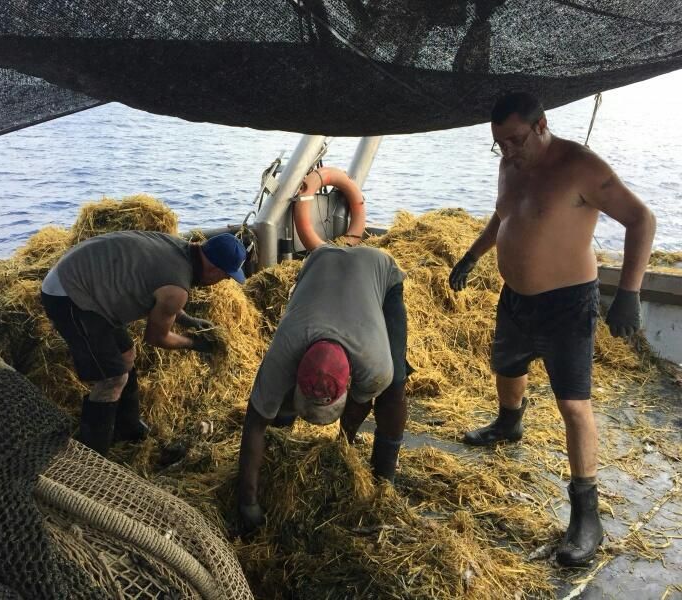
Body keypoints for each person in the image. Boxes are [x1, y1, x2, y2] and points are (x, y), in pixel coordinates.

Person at [449, 91, 656, 566]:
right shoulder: (511, 164)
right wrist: (472, 255)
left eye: (515, 140)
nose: (508, 152)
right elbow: (503, 215)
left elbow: (642, 219)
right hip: (516, 298)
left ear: (541, 126)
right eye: (499, 143)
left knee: (572, 404)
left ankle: (587, 516)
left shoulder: (580, 166)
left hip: (567, 304)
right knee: (506, 365)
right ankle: (509, 423)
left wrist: (629, 292)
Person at [237, 245, 412, 533]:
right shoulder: (283, 353)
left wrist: (343, 447)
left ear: (350, 380)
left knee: (393, 390)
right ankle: (280, 442)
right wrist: (248, 502)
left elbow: (361, 401)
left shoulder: (375, 366)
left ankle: (385, 478)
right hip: (320, 262)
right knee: (271, 403)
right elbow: (254, 423)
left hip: (378, 268)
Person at [41, 231, 247, 457]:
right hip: (68, 295)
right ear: (214, 270)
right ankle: (91, 453)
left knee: (126, 355)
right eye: (226, 276)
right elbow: (157, 337)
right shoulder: (177, 288)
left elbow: (162, 288)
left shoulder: (180, 249)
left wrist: (188, 320)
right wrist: (194, 343)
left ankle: (127, 427)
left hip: (84, 279)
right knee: (113, 378)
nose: (223, 281)